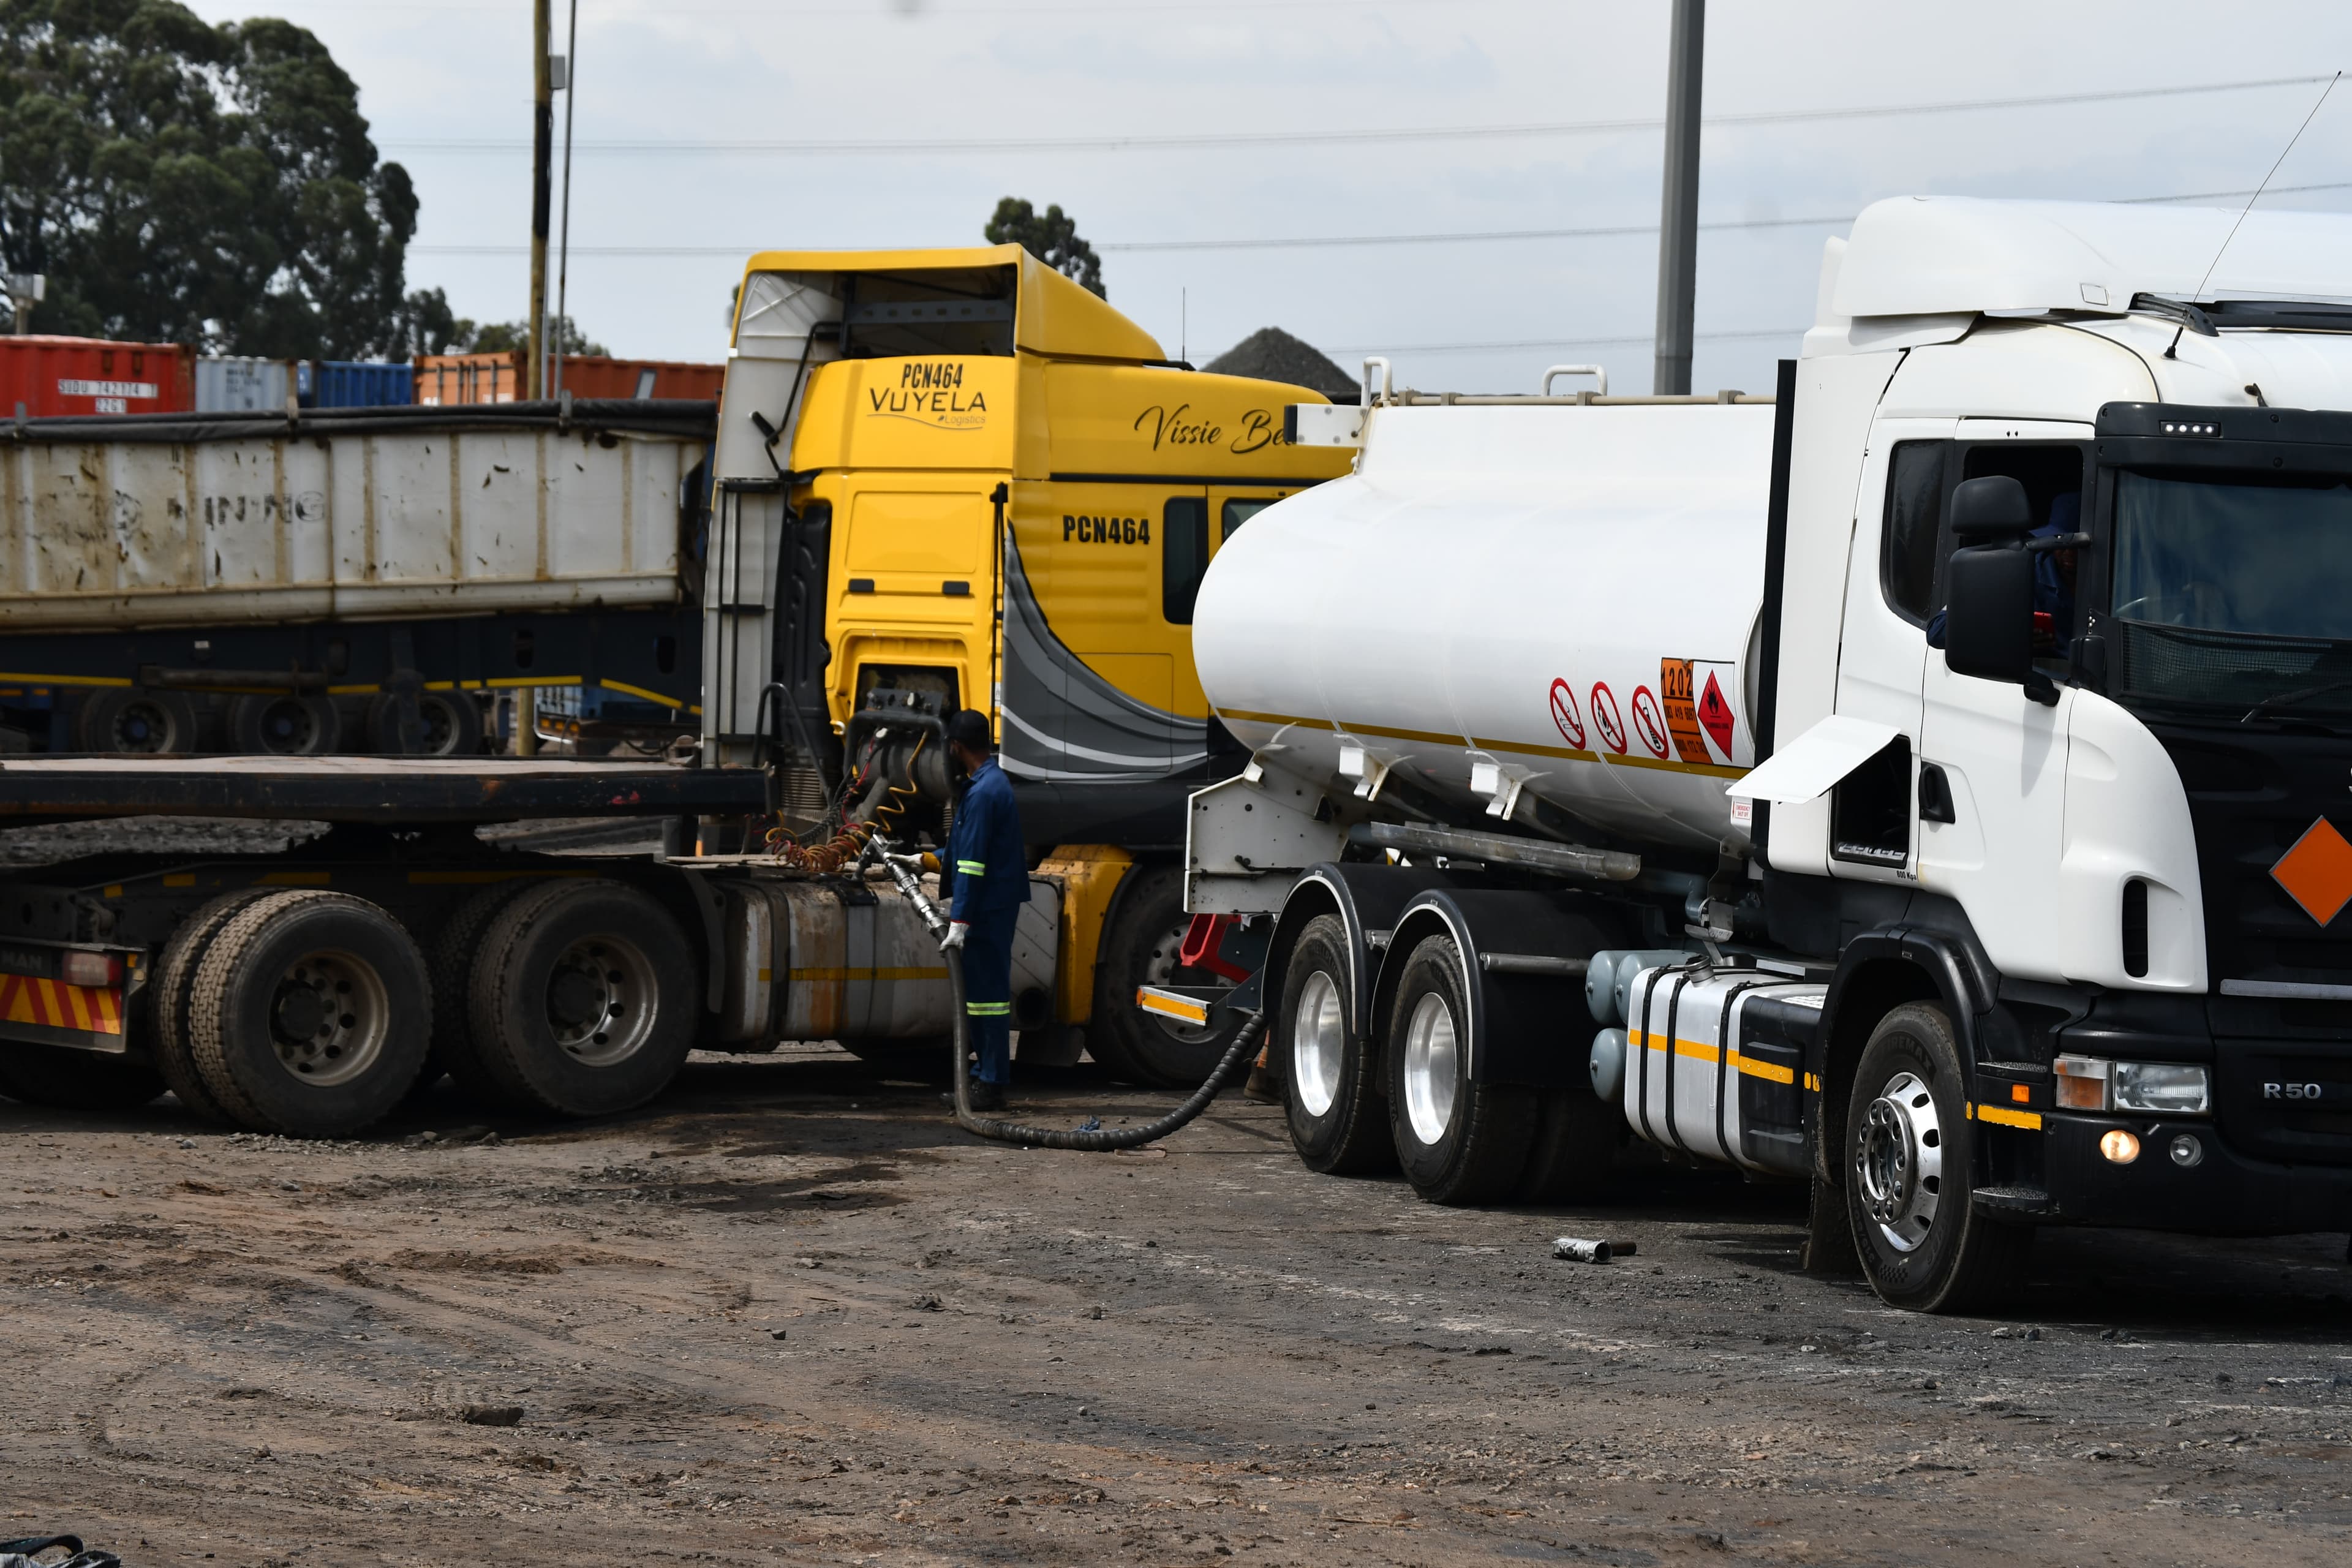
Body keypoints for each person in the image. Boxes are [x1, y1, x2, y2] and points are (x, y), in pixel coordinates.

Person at [937, 707, 1024, 1113]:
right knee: (981, 997)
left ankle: (990, 1084)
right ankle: (980, 1077)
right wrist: (925, 858)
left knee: (987, 998)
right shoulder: (987, 783)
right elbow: (966, 851)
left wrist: (960, 919)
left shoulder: (985, 792)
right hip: (991, 904)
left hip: (987, 908)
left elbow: (973, 863)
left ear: (956, 746)